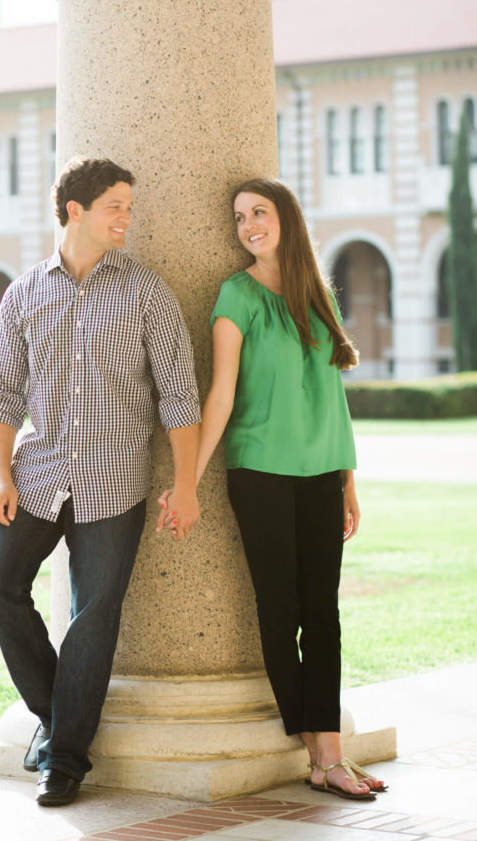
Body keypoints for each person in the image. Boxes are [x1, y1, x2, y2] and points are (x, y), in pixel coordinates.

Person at [0, 156, 201, 807]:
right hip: (36, 473)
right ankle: (57, 716)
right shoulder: (24, 292)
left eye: (129, 206)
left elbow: (179, 395)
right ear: (76, 211)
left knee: (92, 618)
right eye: (116, 207)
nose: (127, 218)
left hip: (114, 480)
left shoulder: (144, 290)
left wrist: (185, 485)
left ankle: (65, 761)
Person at [159, 176, 386, 801]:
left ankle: (328, 752)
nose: (248, 225)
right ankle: (320, 752)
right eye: (239, 217)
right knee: (281, 610)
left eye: (259, 212)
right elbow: (222, 394)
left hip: (322, 472)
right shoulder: (236, 296)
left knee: (325, 614)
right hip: (259, 471)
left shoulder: (319, 294)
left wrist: (347, 480)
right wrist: (188, 483)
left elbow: (334, 396)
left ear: (287, 217)